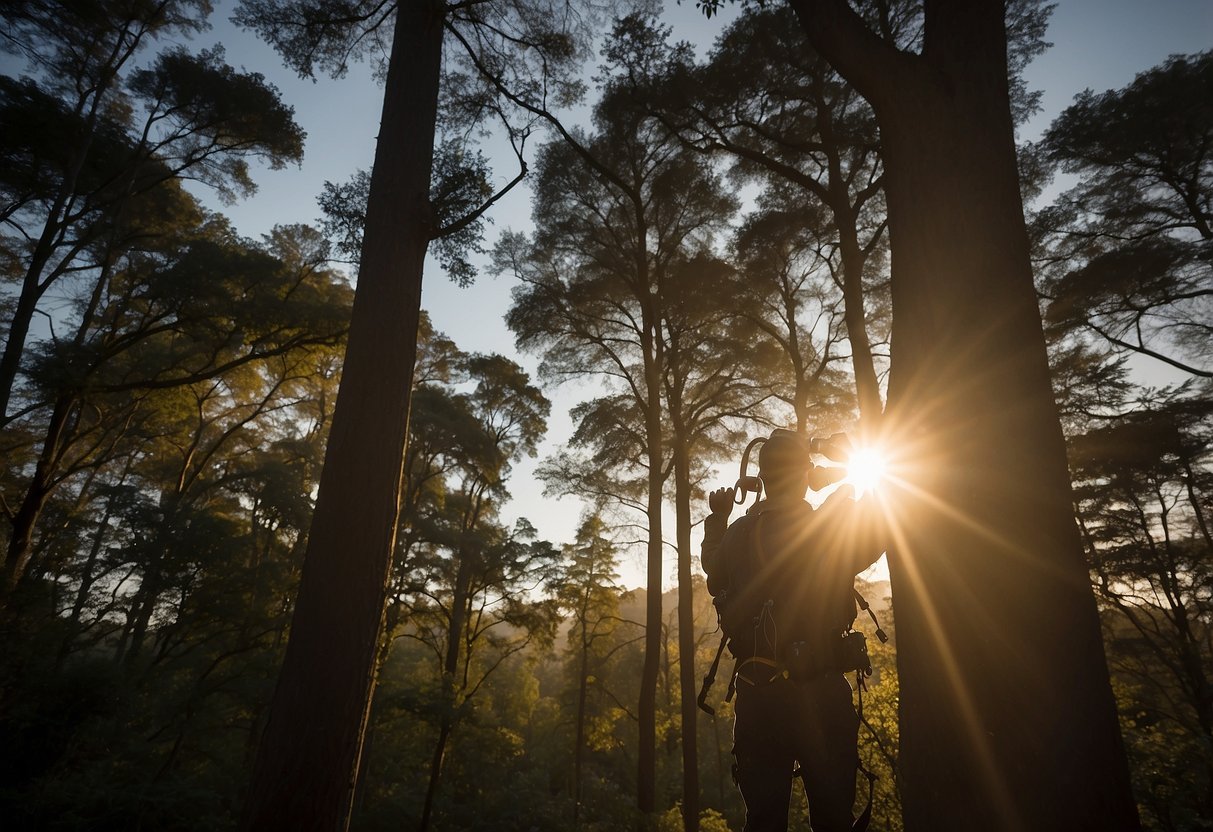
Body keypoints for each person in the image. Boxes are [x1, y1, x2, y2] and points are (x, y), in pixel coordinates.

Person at [701, 429, 886, 832]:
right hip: (821, 695)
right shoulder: (828, 531)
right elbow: (879, 528)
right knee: (834, 820)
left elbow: (714, 574)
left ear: (762, 479)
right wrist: (857, 458)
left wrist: (717, 519)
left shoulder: (737, 535)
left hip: (758, 696)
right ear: (806, 474)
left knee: (764, 822)